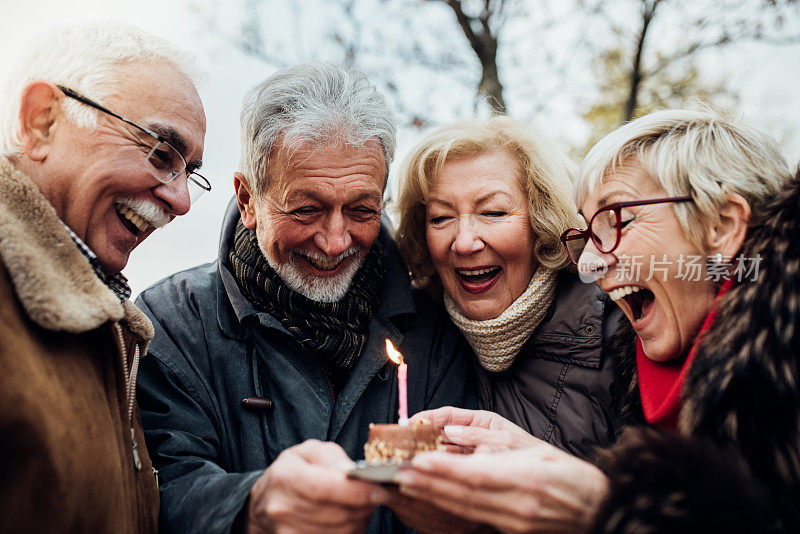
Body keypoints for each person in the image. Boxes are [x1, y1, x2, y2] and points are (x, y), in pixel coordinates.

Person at [394, 108, 800, 532]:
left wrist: (599, 505)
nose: (588, 263)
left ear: (722, 225)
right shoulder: (652, 361)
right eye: (439, 217)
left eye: (618, 220)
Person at [135, 60, 475, 534]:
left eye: (361, 209)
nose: (336, 241)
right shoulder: (169, 326)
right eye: (307, 209)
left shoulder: (436, 332)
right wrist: (252, 506)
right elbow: (160, 493)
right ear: (249, 198)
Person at [0, 23, 207, 533]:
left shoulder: (116, 336)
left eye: (190, 173)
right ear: (41, 121)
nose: (180, 202)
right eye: (161, 153)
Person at [394, 116, 620, 458]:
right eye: (441, 217)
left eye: (494, 212)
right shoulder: (413, 337)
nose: (464, 242)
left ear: (543, 221)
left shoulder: (623, 329)